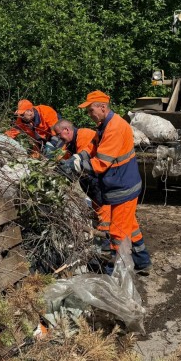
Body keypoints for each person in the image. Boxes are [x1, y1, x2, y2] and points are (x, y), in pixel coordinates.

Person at [69, 90, 151, 273]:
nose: (89, 115)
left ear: (103, 107)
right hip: (122, 184)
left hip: (123, 187)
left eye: (91, 110)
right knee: (131, 227)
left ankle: (113, 274)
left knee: (117, 233)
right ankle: (143, 262)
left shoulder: (114, 128)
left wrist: (77, 165)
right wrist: (78, 156)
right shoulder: (105, 124)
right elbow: (93, 146)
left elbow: (101, 163)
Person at [53, 119, 111, 239]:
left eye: (59, 134)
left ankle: (107, 236)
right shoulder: (70, 142)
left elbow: (81, 161)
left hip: (99, 174)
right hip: (91, 175)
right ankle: (102, 227)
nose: (59, 138)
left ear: (67, 130)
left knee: (102, 202)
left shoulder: (84, 135)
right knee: (96, 201)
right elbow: (64, 156)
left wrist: (69, 166)